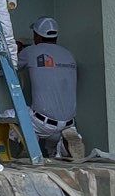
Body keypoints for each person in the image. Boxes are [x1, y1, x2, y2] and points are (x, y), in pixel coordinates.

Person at [18, 17, 83, 159]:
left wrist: (18, 48)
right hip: (68, 122)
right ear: (56, 36)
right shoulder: (69, 54)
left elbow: (12, 63)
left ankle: (28, 147)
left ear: (36, 35)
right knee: (52, 149)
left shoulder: (31, 51)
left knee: (8, 116)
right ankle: (65, 144)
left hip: (42, 124)